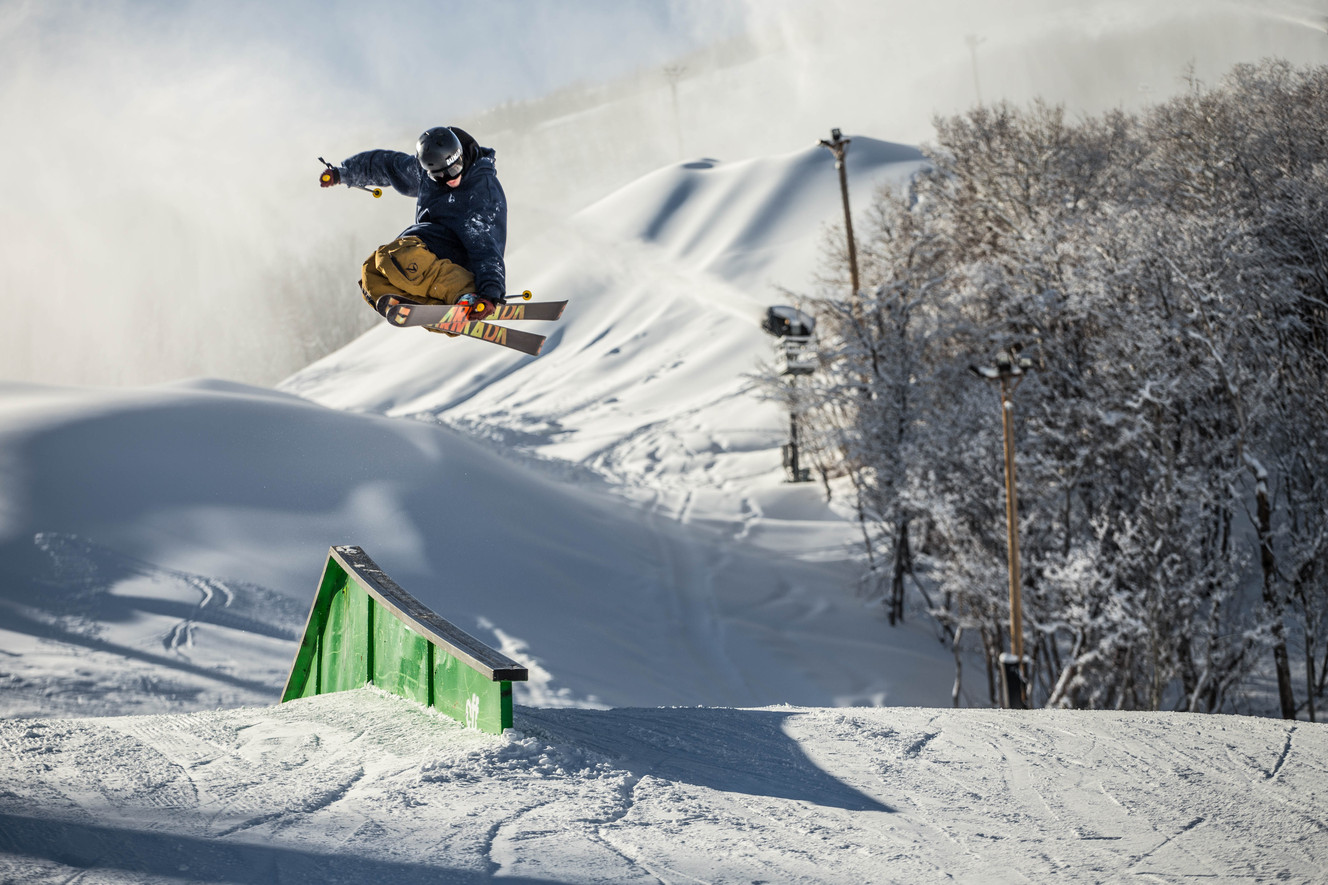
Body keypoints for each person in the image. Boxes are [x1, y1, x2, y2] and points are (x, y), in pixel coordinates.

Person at [320, 126, 509, 318]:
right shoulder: (426, 175)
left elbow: (486, 246)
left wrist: (490, 293)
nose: (451, 179)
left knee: (399, 254)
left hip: (459, 258)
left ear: (461, 157)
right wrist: (343, 173)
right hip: (430, 250)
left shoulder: (481, 193)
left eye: (455, 169)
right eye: (441, 175)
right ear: (429, 171)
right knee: (373, 273)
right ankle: (443, 312)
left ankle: (467, 295)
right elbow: (387, 166)